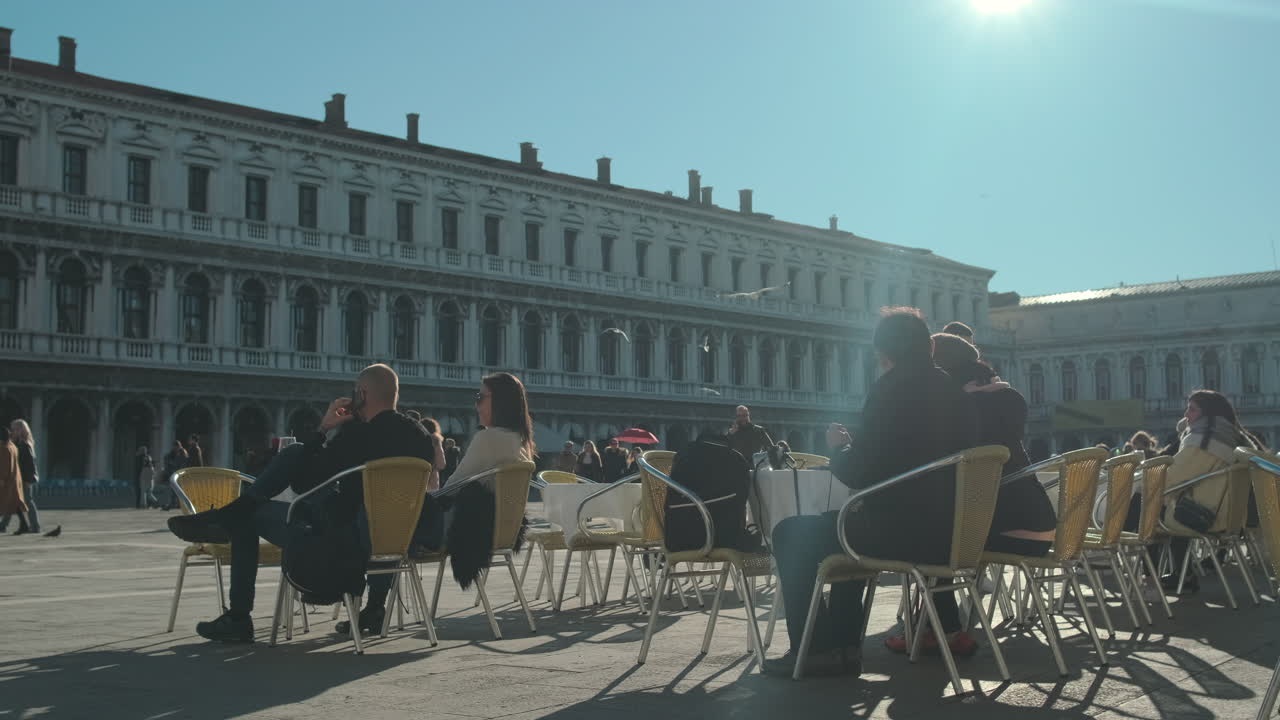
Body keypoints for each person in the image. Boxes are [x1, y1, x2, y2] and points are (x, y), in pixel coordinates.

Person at [764, 308, 979, 677]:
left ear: (882, 354)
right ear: (929, 345)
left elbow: (858, 472)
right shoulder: (952, 391)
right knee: (847, 527)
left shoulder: (890, 389)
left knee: (792, 533)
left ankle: (818, 648)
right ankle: (842, 646)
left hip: (900, 533)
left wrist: (838, 449)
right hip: (952, 533)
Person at [166, 364, 434, 642]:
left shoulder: (358, 435)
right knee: (380, 520)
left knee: (262, 499)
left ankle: (238, 615)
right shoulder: (421, 437)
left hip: (342, 543)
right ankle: (375, 608)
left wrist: (323, 429)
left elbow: (305, 483)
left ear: (362, 395)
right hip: (399, 540)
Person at [881, 332, 1054, 655]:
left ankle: (940, 631)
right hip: (1041, 525)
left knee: (928, 538)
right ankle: (940, 628)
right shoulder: (1008, 397)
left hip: (1010, 530)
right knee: (940, 531)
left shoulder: (962, 405)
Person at [1159, 390, 1258, 594]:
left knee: (1146, 506)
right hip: (1233, 518)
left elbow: (1172, 478)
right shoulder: (1235, 438)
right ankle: (1180, 573)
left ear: (1208, 414)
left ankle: (1149, 576)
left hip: (1203, 516)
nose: (1186, 414)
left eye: (1192, 409)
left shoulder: (1204, 440)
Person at [1, 420, 40, 534]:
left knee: (27, 501)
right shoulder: (17, 444)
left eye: (14, 429)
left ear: (21, 430)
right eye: (12, 429)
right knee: (12, 501)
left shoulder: (25, 445)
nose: (12, 432)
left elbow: (29, 464)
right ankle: (3, 525)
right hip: (17, 478)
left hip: (24, 479)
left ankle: (35, 526)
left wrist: (28, 480)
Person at [0, 425, 29, 535]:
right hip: (14, 478)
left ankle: (24, 525)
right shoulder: (12, 446)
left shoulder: (4, 448)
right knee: (15, 503)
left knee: (11, 502)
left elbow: (4, 465)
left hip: (6, 480)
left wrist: (1, 479)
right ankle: (24, 525)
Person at [417, 416, 446, 492]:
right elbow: (441, 464)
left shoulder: (415, 440)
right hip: (432, 483)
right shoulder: (436, 441)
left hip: (416, 481)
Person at [158, 440, 188, 510]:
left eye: (176, 446)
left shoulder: (183, 453)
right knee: (173, 490)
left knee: (179, 490)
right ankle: (172, 504)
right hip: (172, 473)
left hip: (180, 474)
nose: (175, 448)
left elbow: (183, 463)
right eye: (174, 447)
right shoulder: (171, 454)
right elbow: (168, 462)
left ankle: (177, 504)